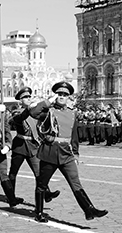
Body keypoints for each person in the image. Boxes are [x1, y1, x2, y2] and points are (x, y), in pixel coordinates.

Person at [29, 81, 108, 222]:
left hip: (66, 153)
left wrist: (76, 153)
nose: (62, 96)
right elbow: (34, 112)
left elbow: (74, 135)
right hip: (50, 152)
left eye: (65, 94)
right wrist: (47, 102)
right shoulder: (48, 111)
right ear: (55, 95)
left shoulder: (72, 114)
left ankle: (89, 210)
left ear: (68, 97)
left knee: (76, 183)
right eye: (59, 94)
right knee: (42, 184)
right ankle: (39, 213)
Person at [9, 87, 60, 204]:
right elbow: (20, 118)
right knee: (13, 172)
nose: (28, 99)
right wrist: (29, 109)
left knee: (39, 172)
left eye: (28, 97)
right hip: (20, 146)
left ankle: (46, 193)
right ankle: (11, 196)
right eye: (25, 97)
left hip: (33, 145)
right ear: (19, 101)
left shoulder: (34, 111)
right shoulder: (17, 111)